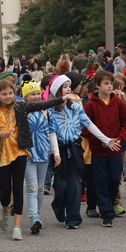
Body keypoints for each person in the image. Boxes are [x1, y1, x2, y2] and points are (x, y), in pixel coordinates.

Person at [0, 79, 75, 240]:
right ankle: (5, 210)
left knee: (19, 189)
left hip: (21, 153)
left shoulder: (20, 107)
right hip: (2, 156)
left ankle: (17, 227)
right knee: (5, 194)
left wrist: (63, 98)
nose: (8, 96)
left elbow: (42, 105)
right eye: (4, 94)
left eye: (11, 93)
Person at [48, 74, 113, 230]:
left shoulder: (77, 107)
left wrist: (106, 139)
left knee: (75, 185)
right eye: (64, 86)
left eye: (69, 86)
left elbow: (89, 125)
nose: (69, 89)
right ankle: (58, 205)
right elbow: (51, 133)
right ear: (57, 91)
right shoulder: (50, 109)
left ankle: (73, 218)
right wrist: (55, 152)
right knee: (61, 185)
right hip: (59, 150)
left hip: (75, 149)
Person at [82, 70, 126, 227]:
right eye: (106, 83)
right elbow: (85, 128)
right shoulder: (90, 105)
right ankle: (106, 214)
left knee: (114, 179)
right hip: (98, 151)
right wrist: (101, 141)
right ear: (97, 86)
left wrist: (120, 138)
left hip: (115, 149)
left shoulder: (118, 103)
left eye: (111, 83)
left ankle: (110, 204)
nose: (110, 86)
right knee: (100, 181)